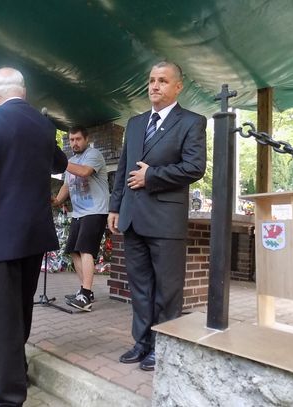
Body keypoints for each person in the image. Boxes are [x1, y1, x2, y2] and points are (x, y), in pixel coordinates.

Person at [0, 67, 67, 406]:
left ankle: (9, 395)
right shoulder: (44, 126)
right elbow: (60, 162)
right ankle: (16, 371)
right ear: (24, 92)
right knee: (19, 311)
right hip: (32, 235)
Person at [107, 61, 206, 371]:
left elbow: (195, 167)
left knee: (167, 289)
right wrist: (114, 207)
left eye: (162, 80)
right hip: (132, 217)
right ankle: (142, 342)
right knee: (140, 288)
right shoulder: (136, 123)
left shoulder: (192, 122)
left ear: (178, 87)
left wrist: (152, 177)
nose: (154, 86)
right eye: (151, 80)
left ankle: (163, 346)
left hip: (165, 221)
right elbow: (123, 169)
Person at [52, 126, 109, 311]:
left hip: (95, 211)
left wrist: (62, 162)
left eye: (78, 139)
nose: (74, 143)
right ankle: (85, 292)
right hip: (78, 213)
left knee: (85, 250)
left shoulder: (94, 155)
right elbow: (66, 186)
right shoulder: (71, 161)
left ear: (86, 139)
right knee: (74, 251)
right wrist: (56, 201)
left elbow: (84, 172)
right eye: (71, 140)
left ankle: (85, 295)